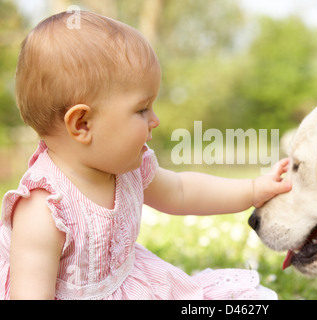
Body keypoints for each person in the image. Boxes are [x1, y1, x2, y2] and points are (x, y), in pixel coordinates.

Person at [0, 10, 291, 300]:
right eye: (142, 109)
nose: (155, 120)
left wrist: (252, 190)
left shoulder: (128, 168)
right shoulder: (44, 209)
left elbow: (182, 191)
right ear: (82, 124)